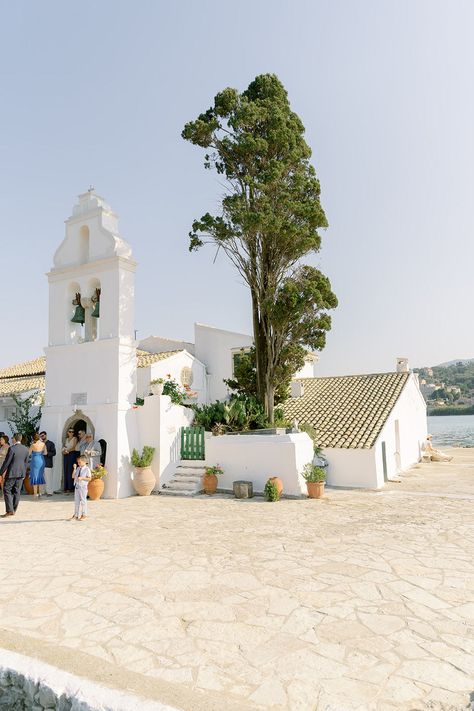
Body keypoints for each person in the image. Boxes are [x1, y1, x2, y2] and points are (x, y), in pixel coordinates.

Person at [0, 433, 29, 517]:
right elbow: (26, 463)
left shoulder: (12, 448)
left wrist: (1, 472)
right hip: (21, 473)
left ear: (14, 439)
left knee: (6, 489)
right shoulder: (25, 449)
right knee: (17, 491)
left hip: (12, 473)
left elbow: (7, 462)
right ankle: (13, 510)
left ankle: (9, 510)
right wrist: (24, 473)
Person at [71, 454, 91, 521]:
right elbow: (73, 476)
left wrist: (82, 478)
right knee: (76, 501)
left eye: (80, 462)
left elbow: (89, 478)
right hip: (77, 486)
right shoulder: (78, 468)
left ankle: (84, 514)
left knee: (83, 501)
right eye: (78, 462)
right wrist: (74, 468)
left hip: (83, 487)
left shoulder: (87, 469)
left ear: (84, 462)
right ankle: (76, 515)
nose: (78, 463)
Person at [29, 432, 47, 497]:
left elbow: (29, 453)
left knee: (35, 476)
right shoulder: (43, 444)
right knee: (40, 476)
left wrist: (34, 454)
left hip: (35, 460)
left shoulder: (32, 445)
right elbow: (45, 453)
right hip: (41, 460)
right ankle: (40, 493)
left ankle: (35, 493)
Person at [39, 431, 56, 497]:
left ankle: (49, 492)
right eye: (41, 436)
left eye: (43, 435)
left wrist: (47, 453)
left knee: (48, 478)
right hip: (40, 464)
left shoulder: (51, 443)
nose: (42, 437)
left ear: (46, 435)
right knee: (42, 478)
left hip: (48, 463)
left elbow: (54, 453)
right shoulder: (39, 444)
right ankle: (42, 491)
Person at [62, 428, 78, 493]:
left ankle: (71, 487)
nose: (71, 433)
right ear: (67, 432)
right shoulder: (66, 439)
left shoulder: (75, 438)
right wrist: (64, 451)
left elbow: (74, 447)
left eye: (72, 432)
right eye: (70, 431)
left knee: (70, 470)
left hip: (72, 455)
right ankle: (66, 487)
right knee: (65, 470)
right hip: (66, 455)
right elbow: (65, 446)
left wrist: (68, 450)